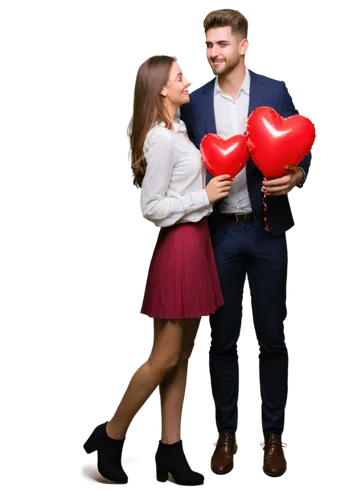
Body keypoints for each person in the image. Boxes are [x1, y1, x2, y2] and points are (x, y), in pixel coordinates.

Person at [81, 54, 232, 488]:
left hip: (194, 244)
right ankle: (109, 438)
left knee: (182, 356)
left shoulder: (178, 131)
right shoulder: (161, 139)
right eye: (179, 77)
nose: (188, 81)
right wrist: (202, 197)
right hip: (180, 247)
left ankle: (171, 454)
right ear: (161, 89)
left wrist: (201, 197)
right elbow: (150, 209)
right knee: (164, 356)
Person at [179, 7, 312, 479]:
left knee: (274, 338)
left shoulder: (276, 91)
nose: (211, 53)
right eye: (207, 45)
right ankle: (226, 435)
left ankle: (273, 437)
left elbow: (303, 151)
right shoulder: (193, 100)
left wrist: (296, 176)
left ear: (244, 45)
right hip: (217, 233)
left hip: (268, 231)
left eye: (220, 44)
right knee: (223, 339)